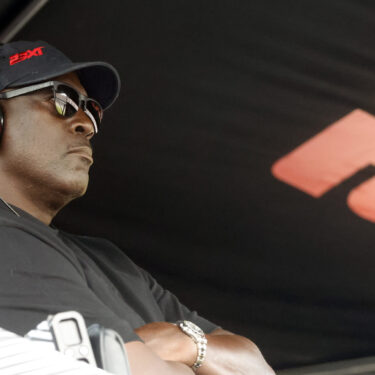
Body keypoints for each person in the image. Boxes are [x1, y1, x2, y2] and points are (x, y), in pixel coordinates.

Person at [0, 40, 274, 375]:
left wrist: (183, 342)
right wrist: (193, 363)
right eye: (63, 101)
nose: (86, 124)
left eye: (92, 110)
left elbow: (256, 367)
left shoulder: (108, 257)